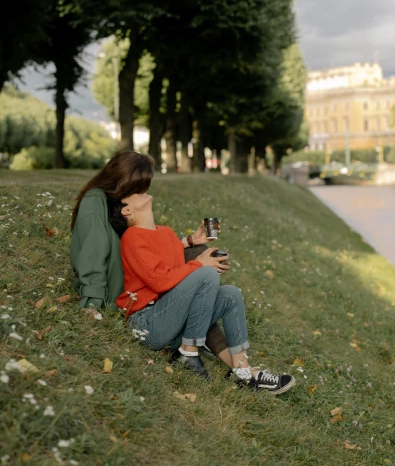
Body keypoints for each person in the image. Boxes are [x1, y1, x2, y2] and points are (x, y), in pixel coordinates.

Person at [108, 189, 296, 394]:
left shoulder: (165, 232)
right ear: (126, 210)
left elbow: (168, 257)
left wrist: (192, 241)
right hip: (148, 325)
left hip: (172, 322)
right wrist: (199, 264)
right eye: (134, 192)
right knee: (207, 274)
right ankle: (188, 352)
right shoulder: (131, 237)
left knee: (231, 294)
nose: (141, 190)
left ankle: (243, 371)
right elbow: (159, 281)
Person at [70, 151, 228, 357]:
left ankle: (214, 345)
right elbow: (94, 253)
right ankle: (204, 342)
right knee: (199, 267)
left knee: (197, 252)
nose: (142, 192)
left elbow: (141, 251)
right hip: (120, 294)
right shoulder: (95, 200)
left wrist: (188, 242)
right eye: (138, 187)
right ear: (122, 181)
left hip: (135, 280)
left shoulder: (117, 201)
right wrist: (91, 303)